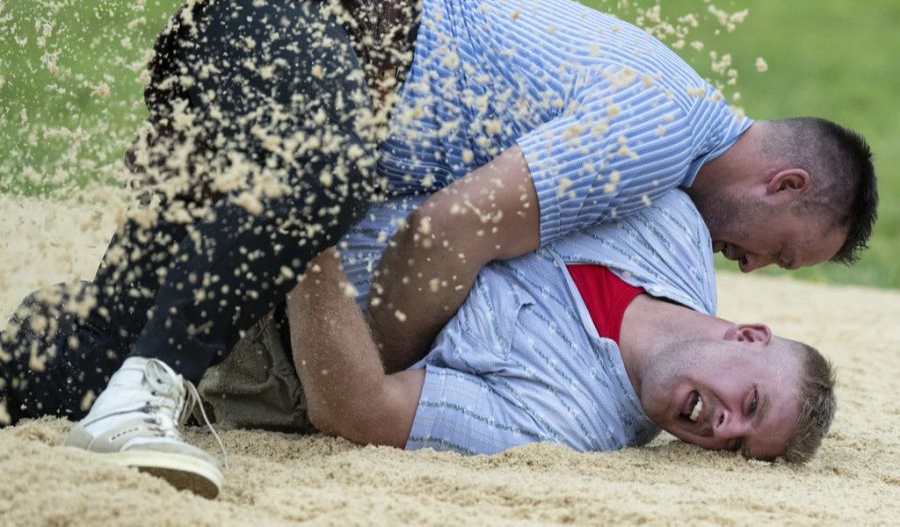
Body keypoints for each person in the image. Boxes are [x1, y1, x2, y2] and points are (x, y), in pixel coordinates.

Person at [0, 0, 871, 497]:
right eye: (784, 255)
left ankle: (100, 370)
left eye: (739, 448)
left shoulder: (658, 214)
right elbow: (444, 232)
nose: (755, 267)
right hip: (326, 31)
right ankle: (140, 402)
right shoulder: (666, 156)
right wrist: (363, 321)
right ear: (750, 338)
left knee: (64, 359)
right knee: (324, 179)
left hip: (279, 143)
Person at [203, 191, 835, 477]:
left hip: (265, 329)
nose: (722, 429)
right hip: (349, 181)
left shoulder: (571, 426)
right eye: (750, 405)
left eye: (736, 448)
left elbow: (355, 408)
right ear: (747, 337)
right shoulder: (669, 227)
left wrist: (307, 234)